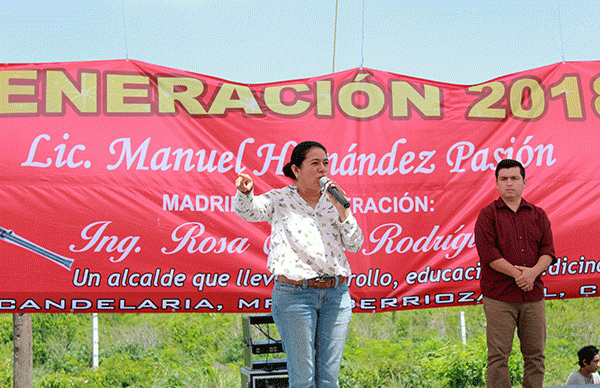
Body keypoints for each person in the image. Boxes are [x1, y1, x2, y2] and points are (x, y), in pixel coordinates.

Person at [233, 141, 364, 388]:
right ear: (296, 170)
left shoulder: (334, 201)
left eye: (325, 163)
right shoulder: (280, 199)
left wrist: (342, 209)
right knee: (303, 378)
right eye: (314, 163)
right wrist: (245, 192)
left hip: (336, 295)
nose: (322, 169)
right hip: (295, 296)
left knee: (328, 379)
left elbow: (355, 243)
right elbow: (248, 211)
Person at [474, 159, 556, 388]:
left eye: (514, 178)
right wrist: (521, 276)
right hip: (499, 298)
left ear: (524, 182)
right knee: (498, 358)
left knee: (536, 356)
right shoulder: (487, 215)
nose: (509, 183)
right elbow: (488, 255)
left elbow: (548, 252)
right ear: (497, 184)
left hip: (533, 297)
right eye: (504, 179)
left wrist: (533, 274)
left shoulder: (538, 215)